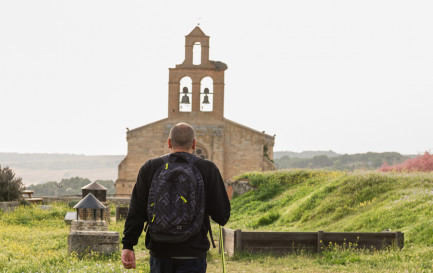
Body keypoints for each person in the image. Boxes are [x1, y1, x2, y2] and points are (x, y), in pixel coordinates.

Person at [121, 122, 231, 273]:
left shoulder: (150, 167)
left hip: (160, 252)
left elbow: (136, 210)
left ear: (168, 143)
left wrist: (128, 245)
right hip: (193, 253)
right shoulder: (207, 169)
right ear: (194, 143)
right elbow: (222, 216)